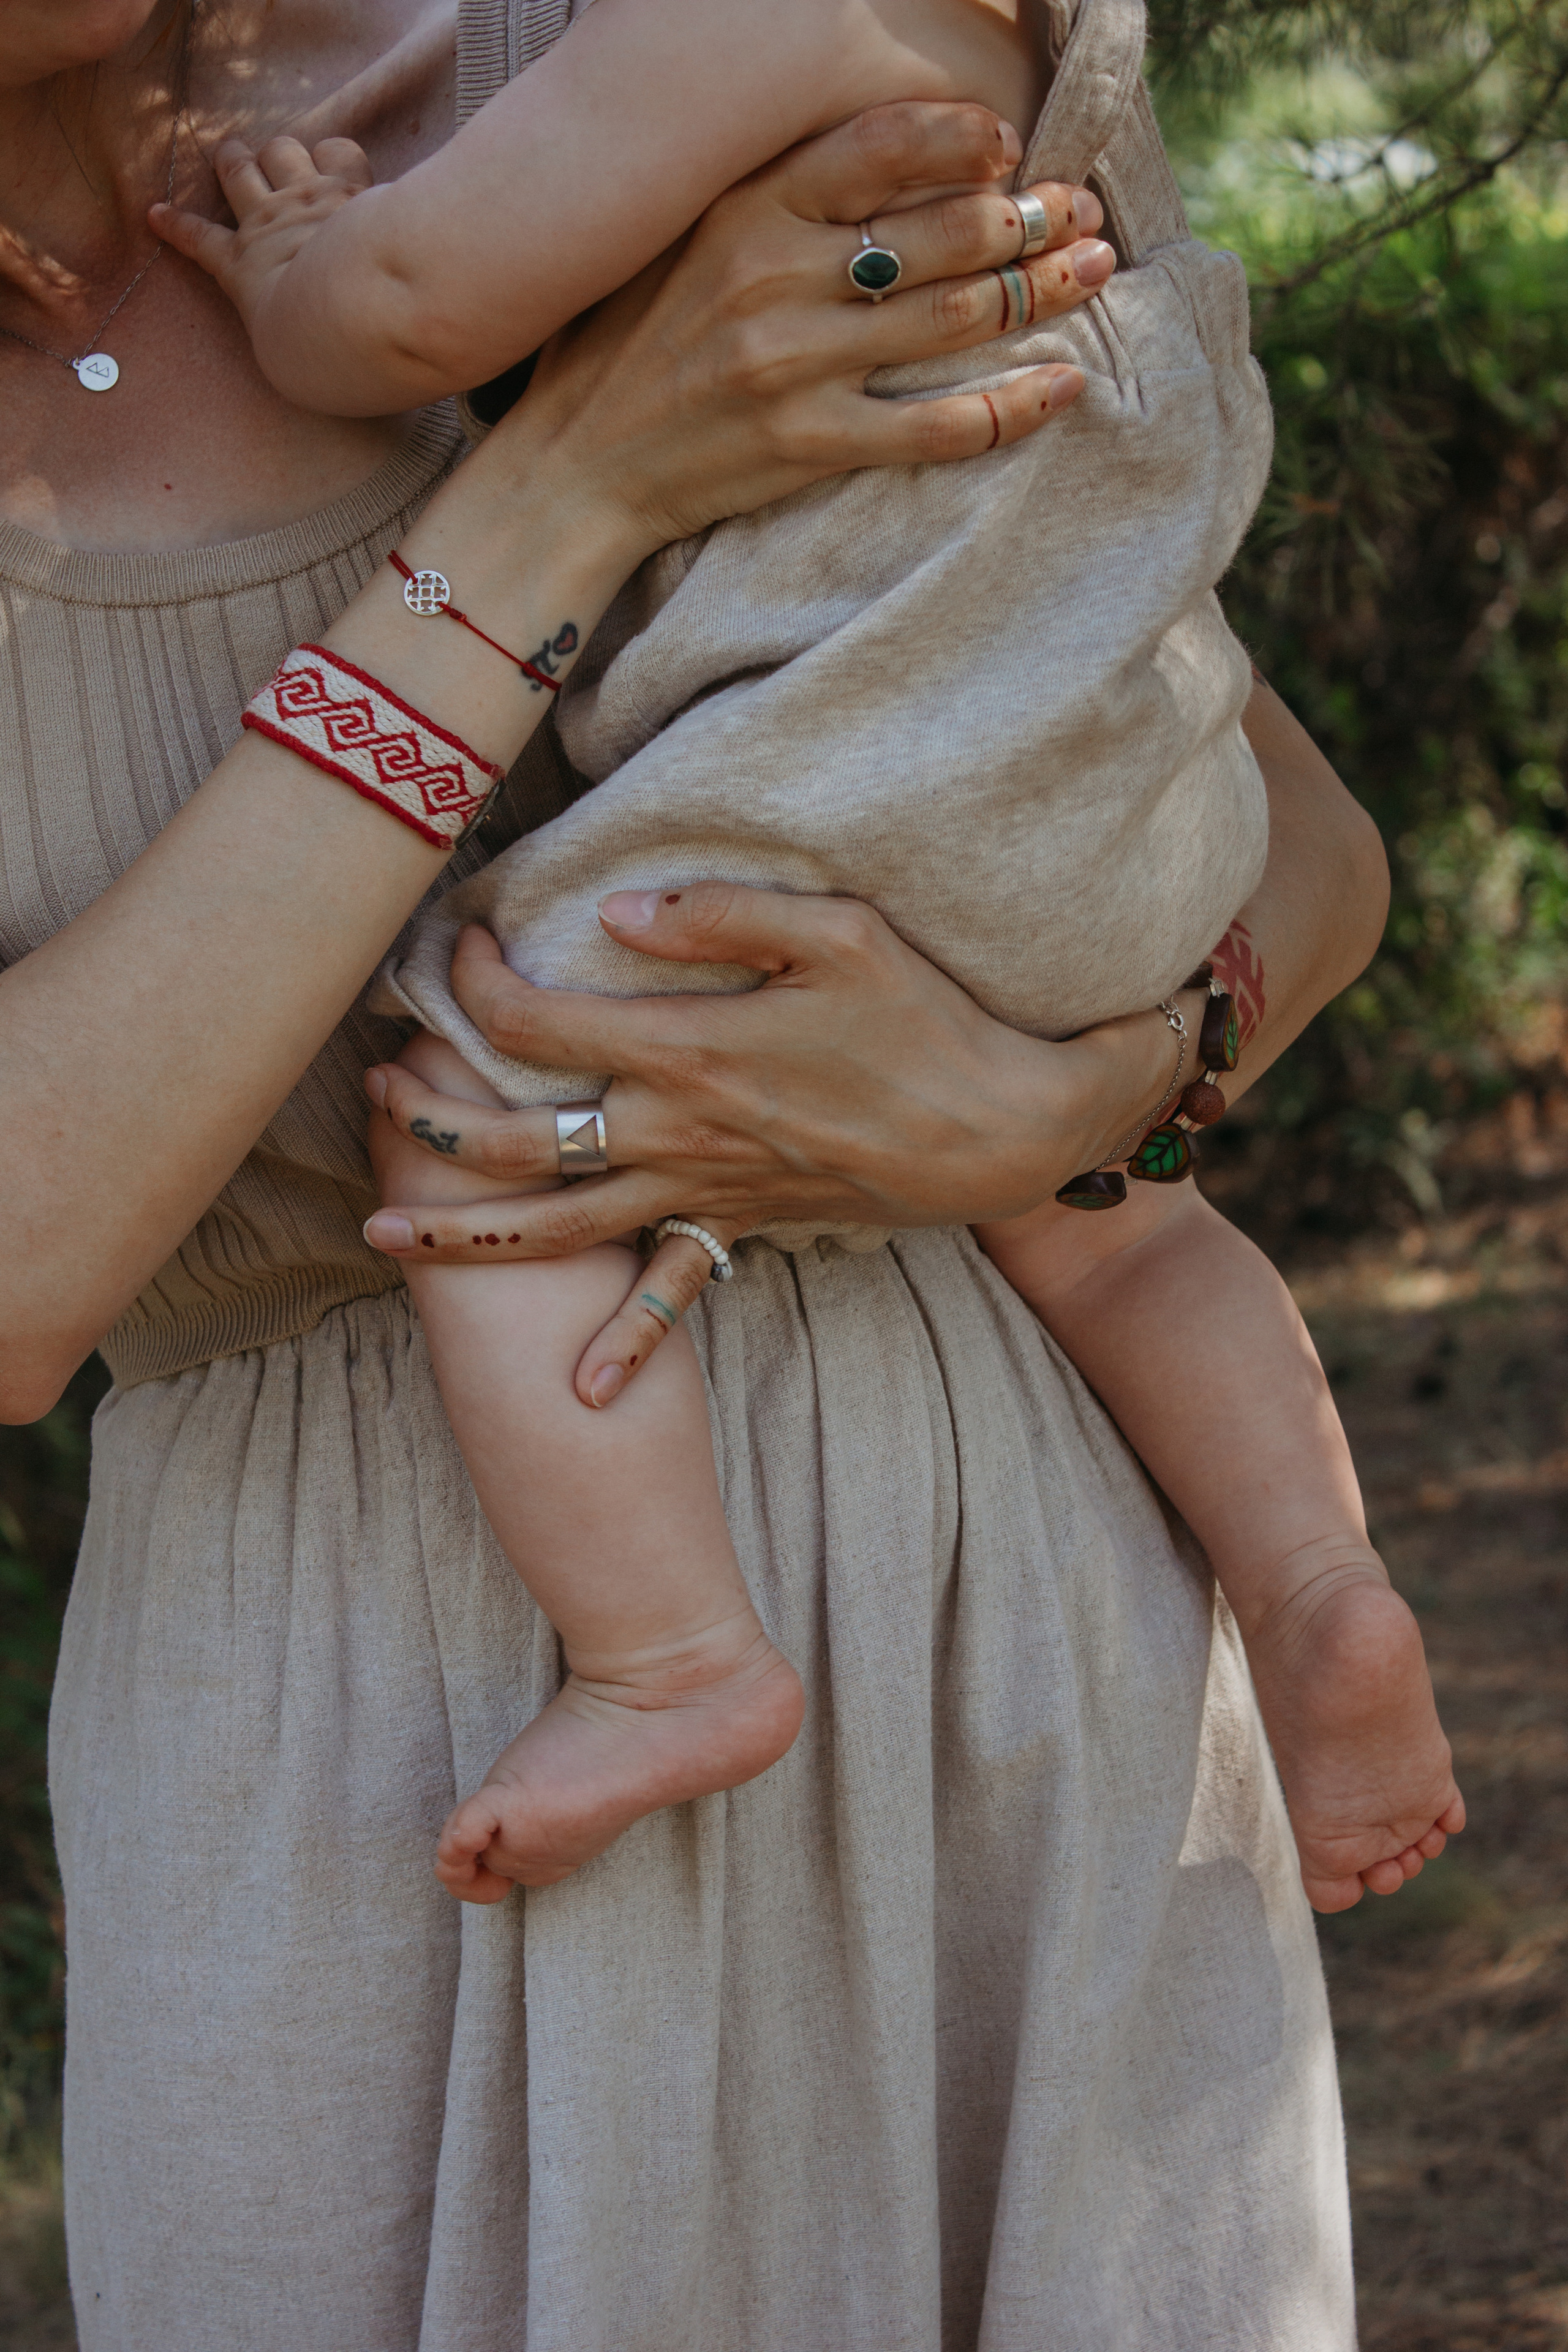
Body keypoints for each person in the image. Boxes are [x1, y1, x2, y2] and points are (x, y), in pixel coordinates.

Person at [1, 0, 1378, 2342]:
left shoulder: (591, 56)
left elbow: (1296, 842)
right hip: (346, 1756)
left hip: (993, 1594)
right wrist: (562, 499)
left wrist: (1087, 1098)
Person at [159, 0, 1461, 1917]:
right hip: (1137, 801)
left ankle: (671, 1653)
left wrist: (291, 268)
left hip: (868, 786)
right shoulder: (1065, 53)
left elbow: (418, 311)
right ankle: (1317, 1584)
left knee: (461, 1118)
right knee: (1116, 1221)